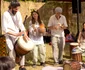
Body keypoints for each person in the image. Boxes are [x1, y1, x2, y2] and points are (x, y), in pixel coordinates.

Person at [1, 1, 29, 70]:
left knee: (22, 49)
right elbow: (5, 29)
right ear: (11, 7)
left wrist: (25, 34)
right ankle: (12, 68)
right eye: (16, 9)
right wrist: (15, 34)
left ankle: (22, 67)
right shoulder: (5, 14)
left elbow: (21, 25)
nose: (17, 10)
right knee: (11, 51)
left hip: (17, 35)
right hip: (9, 36)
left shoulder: (18, 13)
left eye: (18, 8)